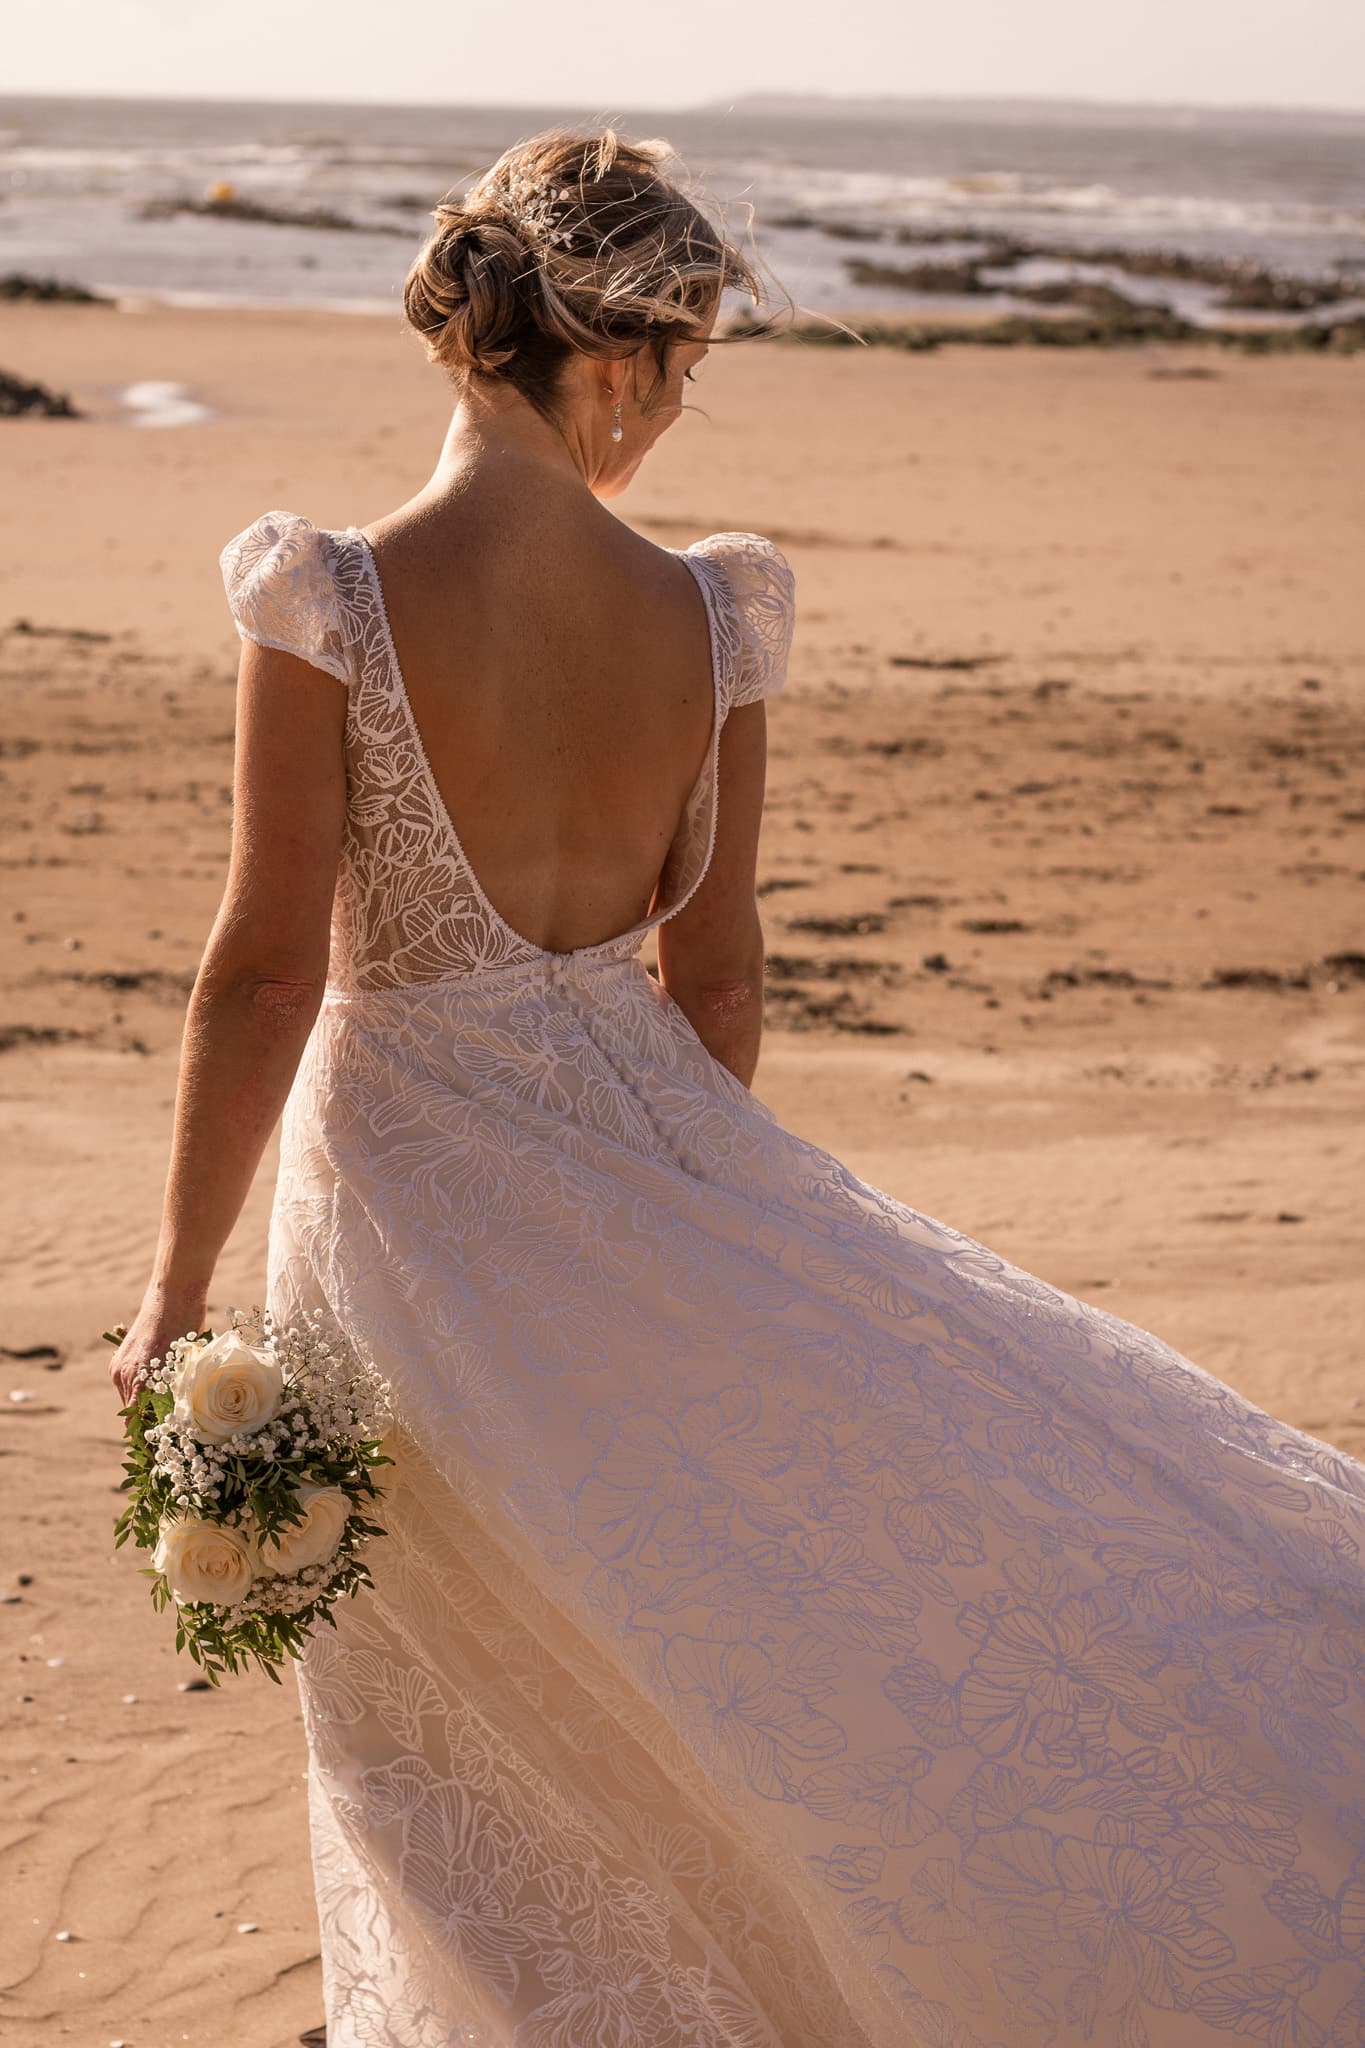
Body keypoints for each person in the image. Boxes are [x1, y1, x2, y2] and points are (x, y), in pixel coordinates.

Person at [108, 129, 1365, 2048]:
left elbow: (270, 964)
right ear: (610, 357)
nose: (677, 413)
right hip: (642, 1160)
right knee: (690, 1665)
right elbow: (717, 970)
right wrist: (691, 1226)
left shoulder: (331, 597)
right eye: (684, 367)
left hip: (401, 1205)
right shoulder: (712, 613)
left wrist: (175, 1284)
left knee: (441, 1700)